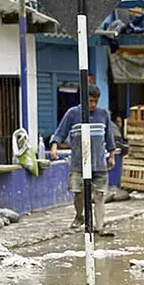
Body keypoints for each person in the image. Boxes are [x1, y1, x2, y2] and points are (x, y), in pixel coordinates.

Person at [50, 85, 116, 237]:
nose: (93, 104)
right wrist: (54, 147)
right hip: (79, 164)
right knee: (79, 193)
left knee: (99, 195)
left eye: (96, 101)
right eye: (90, 101)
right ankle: (80, 216)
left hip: (99, 163)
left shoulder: (103, 114)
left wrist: (112, 156)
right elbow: (60, 132)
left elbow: (109, 137)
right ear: (84, 100)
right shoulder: (72, 114)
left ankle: (99, 227)